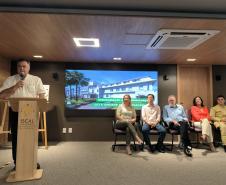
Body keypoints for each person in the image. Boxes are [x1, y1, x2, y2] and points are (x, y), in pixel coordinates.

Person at [0, 59, 46, 169]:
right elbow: (2, 95)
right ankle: (18, 163)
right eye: (19, 66)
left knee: (31, 138)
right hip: (15, 112)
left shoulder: (36, 80)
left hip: (31, 113)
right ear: (17, 68)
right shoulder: (10, 80)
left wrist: (39, 108)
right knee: (16, 139)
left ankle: (32, 161)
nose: (22, 68)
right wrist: (15, 87)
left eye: (24, 66)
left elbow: (42, 96)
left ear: (28, 67)